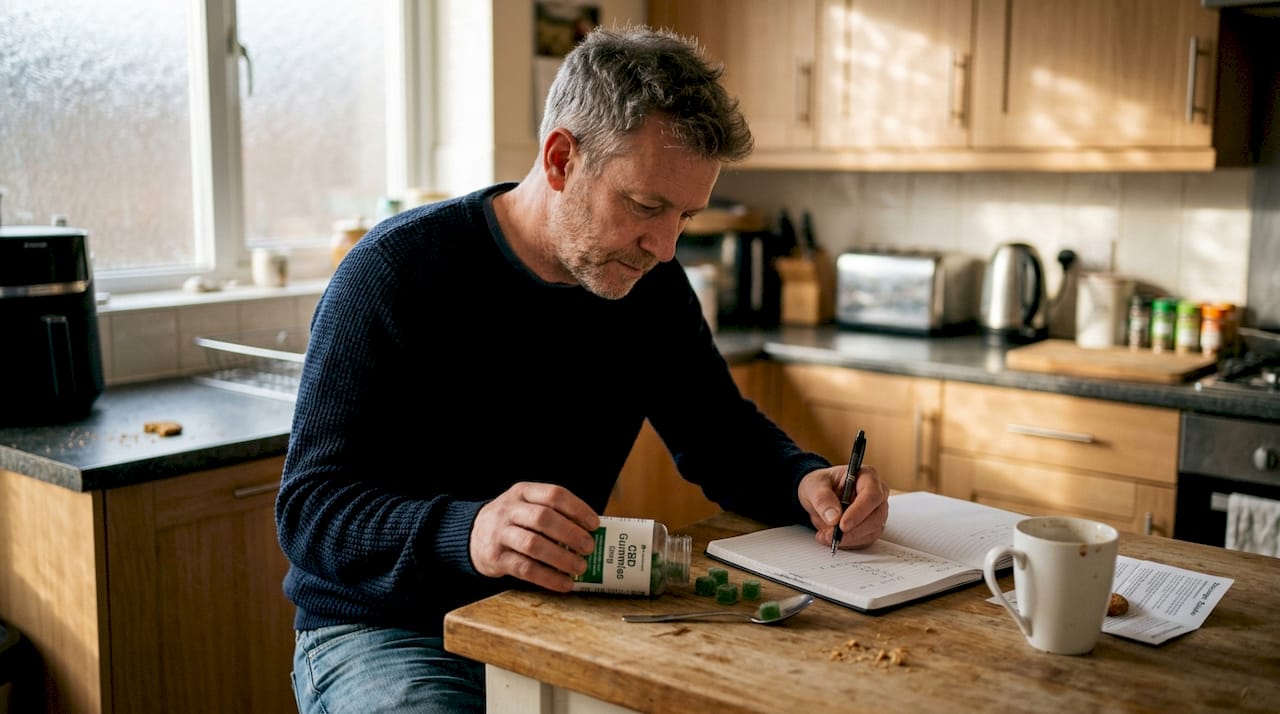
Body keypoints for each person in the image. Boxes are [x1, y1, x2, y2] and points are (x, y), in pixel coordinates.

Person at [276, 24, 890, 714]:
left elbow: (717, 432)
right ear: (562, 158)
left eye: (685, 217)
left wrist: (803, 478)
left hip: (552, 614)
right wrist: (471, 531)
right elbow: (310, 511)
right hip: (387, 630)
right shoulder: (394, 273)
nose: (664, 246)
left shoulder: (647, 283)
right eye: (646, 206)